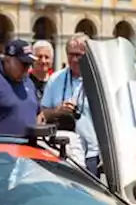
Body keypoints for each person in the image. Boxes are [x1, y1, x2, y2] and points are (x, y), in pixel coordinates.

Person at [41, 34, 101, 176]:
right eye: (71, 54)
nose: (74, 59)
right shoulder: (55, 79)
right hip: (62, 150)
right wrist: (57, 111)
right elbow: (42, 114)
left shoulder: (100, 81)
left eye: (79, 55)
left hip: (91, 154)